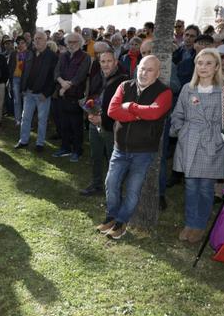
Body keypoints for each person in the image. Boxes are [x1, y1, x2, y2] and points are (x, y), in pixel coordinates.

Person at [170, 49, 224, 243]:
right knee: (191, 185)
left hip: (212, 143)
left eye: (209, 63)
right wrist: (180, 130)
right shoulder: (187, 88)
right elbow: (177, 114)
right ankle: (190, 223)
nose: (203, 67)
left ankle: (200, 225)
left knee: (205, 187)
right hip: (189, 142)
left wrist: (223, 136)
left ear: (217, 66)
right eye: (200, 63)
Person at [97, 55, 172, 239]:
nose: (144, 73)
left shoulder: (164, 92)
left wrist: (130, 106)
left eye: (149, 70)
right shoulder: (124, 86)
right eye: (142, 68)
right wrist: (139, 114)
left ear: (158, 73)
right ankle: (111, 217)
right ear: (137, 68)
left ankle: (121, 222)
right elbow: (112, 111)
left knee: (132, 189)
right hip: (120, 147)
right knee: (111, 183)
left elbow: (155, 113)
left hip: (143, 151)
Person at [80, 48, 128, 196]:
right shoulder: (98, 77)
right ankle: (96, 185)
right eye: (103, 61)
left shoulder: (123, 81)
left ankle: (114, 190)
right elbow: (94, 96)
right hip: (95, 123)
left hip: (112, 127)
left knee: (113, 160)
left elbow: (123, 108)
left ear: (115, 62)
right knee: (95, 156)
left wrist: (103, 119)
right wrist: (91, 112)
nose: (106, 64)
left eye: (109, 61)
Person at [15, 31, 59, 152]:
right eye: (35, 39)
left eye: (40, 38)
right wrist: (23, 88)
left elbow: (54, 77)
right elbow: (24, 71)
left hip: (42, 94)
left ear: (46, 40)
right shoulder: (30, 54)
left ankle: (40, 143)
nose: (37, 41)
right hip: (29, 92)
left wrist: (47, 93)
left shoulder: (52, 56)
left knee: (42, 120)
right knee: (25, 118)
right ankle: (23, 141)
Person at [52, 32, 91, 160]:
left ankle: (77, 150)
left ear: (80, 43)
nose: (71, 44)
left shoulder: (85, 57)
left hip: (76, 96)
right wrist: (62, 83)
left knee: (76, 126)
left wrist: (66, 86)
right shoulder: (63, 56)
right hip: (62, 96)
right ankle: (65, 148)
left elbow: (80, 76)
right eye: (69, 42)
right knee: (63, 125)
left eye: (74, 42)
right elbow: (56, 72)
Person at [8, 36, 31, 126]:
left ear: (26, 43)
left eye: (22, 42)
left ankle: (25, 119)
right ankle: (18, 119)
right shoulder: (13, 54)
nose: (20, 45)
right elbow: (10, 66)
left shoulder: (29, 53)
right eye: (18, 43)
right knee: (17, 100)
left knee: (25, 99)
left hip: (25, 79)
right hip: (15, 78)